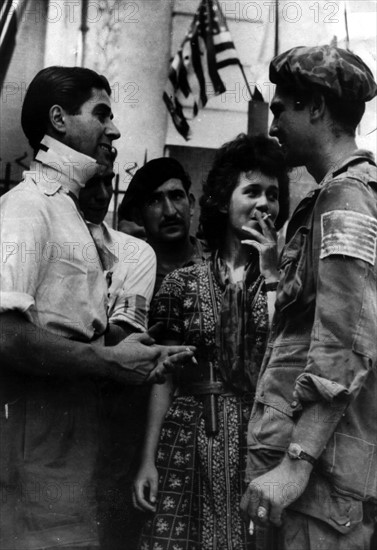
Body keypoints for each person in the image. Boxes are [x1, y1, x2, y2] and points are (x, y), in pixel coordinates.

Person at [0, 66, 192, 550]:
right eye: (102, 113)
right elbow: (4, 333)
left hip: (77, 434)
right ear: (59, 120)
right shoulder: (29, 207)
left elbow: (86, 334)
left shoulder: (68, 212)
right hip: (34, 434)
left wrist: (136, 357)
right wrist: (106, 360)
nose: (115, 129)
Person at [240, 45, 377, 550]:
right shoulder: (325, 198)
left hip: (316, 480)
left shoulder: (347, 196)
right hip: (303, 474)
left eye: (281, 108)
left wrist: (296, 465)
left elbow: (346, 340)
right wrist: (276, 272)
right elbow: (307, 326)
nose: (273, 122)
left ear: (315, 107)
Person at [133, 134, 289, 549]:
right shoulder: (182, 282)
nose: (264, 204)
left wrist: (273, 275)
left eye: (273, 195)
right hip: (187, 439)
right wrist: (147, 459)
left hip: (259, 441)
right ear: (223, 198)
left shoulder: (289, 283)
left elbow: (285, 353)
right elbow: (163, 377)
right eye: (252, 191)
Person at [118, 157, 207, 294]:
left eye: (176, 196)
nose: (170, 212)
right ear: (138, 216)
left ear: (191, 204)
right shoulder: (129, 275)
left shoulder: (217, 262)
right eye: (155, 201)